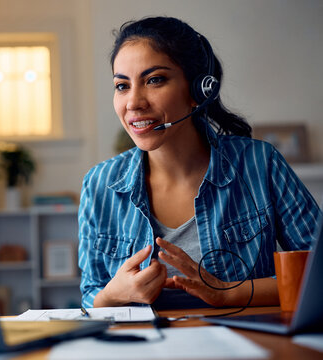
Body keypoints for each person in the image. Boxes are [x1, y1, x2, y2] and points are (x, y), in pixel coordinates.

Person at [78, 16, 321, 309]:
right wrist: (111, 295)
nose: (133, 102)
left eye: (154, 80)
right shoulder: (99, 183)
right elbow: (91, 293)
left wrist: (228, 292)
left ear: (198, 91)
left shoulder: (260, 163)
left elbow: (317, 274)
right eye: (122, 85)